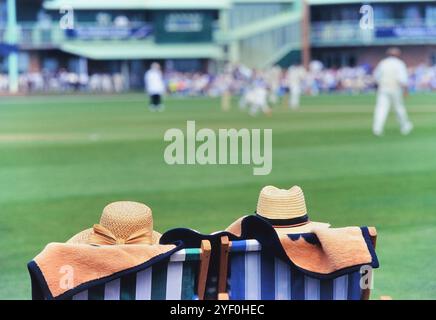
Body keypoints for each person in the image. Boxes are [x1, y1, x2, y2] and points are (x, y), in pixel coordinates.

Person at [373, 47, 413, 136]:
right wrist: (406, 90)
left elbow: (376, 77)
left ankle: (377, 128)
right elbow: (402, 79)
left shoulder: (383, 63)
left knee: (381, 108)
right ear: (397, 55)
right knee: (399, 108)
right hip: (395, 88)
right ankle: (405, 126)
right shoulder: (399, 63)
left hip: (383, 88)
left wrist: (378, 86)